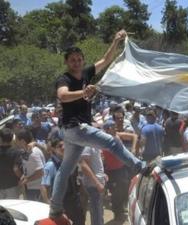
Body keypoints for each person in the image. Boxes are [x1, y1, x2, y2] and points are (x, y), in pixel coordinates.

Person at [50, 29, 145, 219]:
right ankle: (138, 166)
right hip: (74, 128)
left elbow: (105, 60)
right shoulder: (64, 79)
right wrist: (83, 93)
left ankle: (55, 208)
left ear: (82, 60)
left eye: (79, 59)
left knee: (65, 169)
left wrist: (116, 40)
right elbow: (62, 95)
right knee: (111, 142)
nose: (76, 62)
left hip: (73, 132)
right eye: (72, 60)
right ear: (67, 63)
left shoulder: (86, 73)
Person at [41, 138, 85, 225]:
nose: (63, 147)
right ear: (53, 149)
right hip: (61, 203)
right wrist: (50, 204)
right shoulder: (50, 165)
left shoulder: (70, 161)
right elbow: (43, 186)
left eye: (65, 145)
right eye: (60, 146)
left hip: (74, 201)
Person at [15, 128, 45, 201]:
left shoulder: (33, 152)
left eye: (16, 140)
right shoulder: (26, 151)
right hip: (31, 187)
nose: (15, 142)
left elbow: (41, 172)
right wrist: (24, 176)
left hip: (37, 188)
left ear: (22, 141)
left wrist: (26, 180)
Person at [79, 146, 107, 225]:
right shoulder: (88, 146)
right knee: (97, 214)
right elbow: (84, 166)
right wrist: (97, 183)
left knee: (99, 212)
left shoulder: (95, 145)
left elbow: (95, 164)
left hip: (97, 183)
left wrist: (103, 175)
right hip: (94, 185)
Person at [0, 128, 22, 199]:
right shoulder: (16, 152)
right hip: (12, 185)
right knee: (11, 208)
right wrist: (21, 178)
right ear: (12, 138)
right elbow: (16, 169)